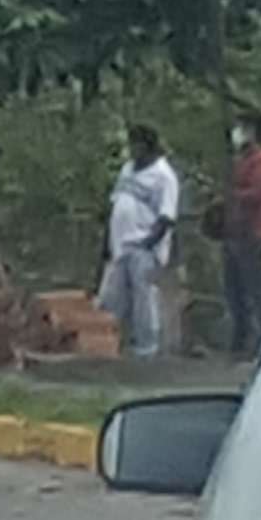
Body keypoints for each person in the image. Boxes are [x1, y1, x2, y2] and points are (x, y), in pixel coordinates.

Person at [104, 123, 185, 361]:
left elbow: (166, 217)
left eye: (136, 144)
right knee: (112, 299)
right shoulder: (128, 169)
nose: (132, 149)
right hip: (120, 245)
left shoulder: (163, 175)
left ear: (148, 147)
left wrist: (148, 244)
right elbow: (117, 203)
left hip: (144, 246)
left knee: (144, 298)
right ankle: (111, 346)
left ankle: (147, 349)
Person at [219, 116, 261, 355]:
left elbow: (256, 194)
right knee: (234, 292)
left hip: (255, 232)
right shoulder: (241, 161)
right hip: (234, 233)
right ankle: (240, 343)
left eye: (243, 128)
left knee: (257, 290)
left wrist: (232, 195)